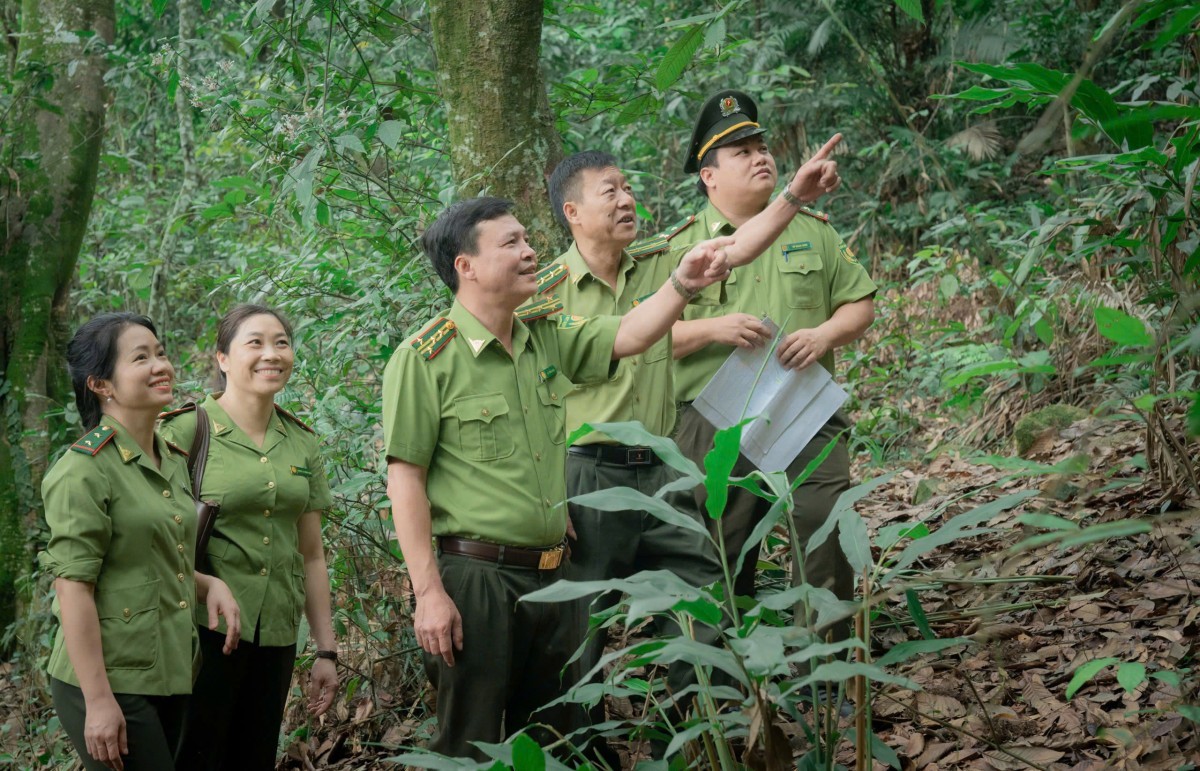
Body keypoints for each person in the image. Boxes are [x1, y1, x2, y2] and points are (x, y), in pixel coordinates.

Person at [381, 196, 732, 759]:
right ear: (466, 266)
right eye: (511, 243)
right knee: (471, 745)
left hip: (553, 574)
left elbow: (628, 335)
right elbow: (406, 480)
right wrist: (429, 593)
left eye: (526, 239)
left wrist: (682, 285)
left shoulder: (542, 334)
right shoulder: (426, 358)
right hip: (478, 581)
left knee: (558, 739)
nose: (530, 251)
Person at [532, 145, 842, 739]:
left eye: (627, 187)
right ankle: (580, 748)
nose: (626, 199)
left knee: (703, 602)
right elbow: (533, 399)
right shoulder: (546, 292)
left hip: (663, 467)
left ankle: (703, 739)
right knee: (582, 625)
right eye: (609, 191)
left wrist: (794, 196)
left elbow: (736, 247)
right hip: (586, 473)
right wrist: (547, 492)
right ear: (572, 211)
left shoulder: (658, 261)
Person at [670, 90, 878, 641]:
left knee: (824, 529)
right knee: (720, 547)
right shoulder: (680, 248)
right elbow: (649, 337)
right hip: (714, 420)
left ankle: (826, 668)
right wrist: (712, 328)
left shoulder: (814, 229)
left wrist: (825, 334)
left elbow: (859, 305)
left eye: (761, 147)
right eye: (741, 152)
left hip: (805, 408)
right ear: (708, 176)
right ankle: (725, 672)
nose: (760, 156)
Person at [41, 312, 240, 771]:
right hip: (107, 681)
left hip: (166, 670)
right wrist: (98, 701)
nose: (161, 366)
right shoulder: (83, 470)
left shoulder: (169, 458)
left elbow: (150, 561)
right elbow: (73, 588)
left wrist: (209, 585)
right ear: (100, 385)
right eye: (141, 358)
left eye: (161, 353)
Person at [162, 305, 338, 771]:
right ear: (222, 358)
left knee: (254, 757)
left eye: (281, 342)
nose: (272, 354)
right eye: (255, 343)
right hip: (200, 629)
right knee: (192, 756)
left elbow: (312, 554)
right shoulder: (184, 430)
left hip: (276, 631)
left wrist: (326, 649)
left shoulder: (301, 441)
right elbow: (152, 541)